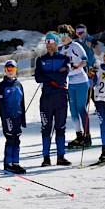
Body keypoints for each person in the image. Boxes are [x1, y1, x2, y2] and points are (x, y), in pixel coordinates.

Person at [35, 32, 71, 167]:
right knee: (46, 128)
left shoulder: (64, 59)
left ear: (57, 43)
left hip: (60, 97)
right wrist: (55, 75)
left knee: (60, 127)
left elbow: (63, 77)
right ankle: (46, 157)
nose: (48, 44)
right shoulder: (41, 59)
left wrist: (48, 76)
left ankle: (61, 156)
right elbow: (38, 78)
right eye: (46, 41)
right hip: (46, 97)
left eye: (51, 41)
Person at [58, 24, 91, 148]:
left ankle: (87, 136)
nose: (63, 38)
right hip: (70, 82)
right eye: (60, 35)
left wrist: (76, 66)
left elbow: (85, 60)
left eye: (65, 35)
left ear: (70, 35)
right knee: (73, 110)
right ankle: (79, 135)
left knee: (81, 108)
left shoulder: (76, 46)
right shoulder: (61, 50)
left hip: (81, 81)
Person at [0, 60, 26, 174]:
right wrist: (5, 118)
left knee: (17, 140)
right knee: (10, 139)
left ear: (16, 70)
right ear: (5, 70)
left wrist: (23, 118)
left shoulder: (19, 84)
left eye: (12, 69)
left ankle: (16, 163)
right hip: (8, 118)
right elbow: (0, 104)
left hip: (17, 117)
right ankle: (8, 163)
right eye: (8, 69)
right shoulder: (2, 85)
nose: (10, 71)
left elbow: (22, 102)